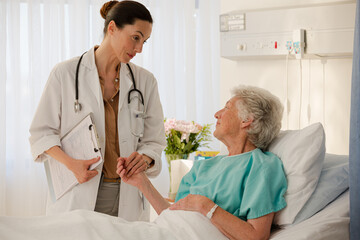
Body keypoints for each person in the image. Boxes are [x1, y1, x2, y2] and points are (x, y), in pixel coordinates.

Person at [29, 0, 166, 221]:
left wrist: (146, 158)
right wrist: (71, 164)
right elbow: (41, 133)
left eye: (144, 42)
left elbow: (155, 141)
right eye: (136, 37)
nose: (139, 48)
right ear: (112, 28)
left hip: (127, 195)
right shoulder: (65, 74)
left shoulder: (145, 81)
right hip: (78, 192)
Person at [117, 85, 287, 239]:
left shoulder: (261, 166)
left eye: (227, 107)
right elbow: (173, 215)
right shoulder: (205, 166)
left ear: (247, 120)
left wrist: (207, 207)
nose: (217, 114)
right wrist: (142, 183)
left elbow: (256, 236)